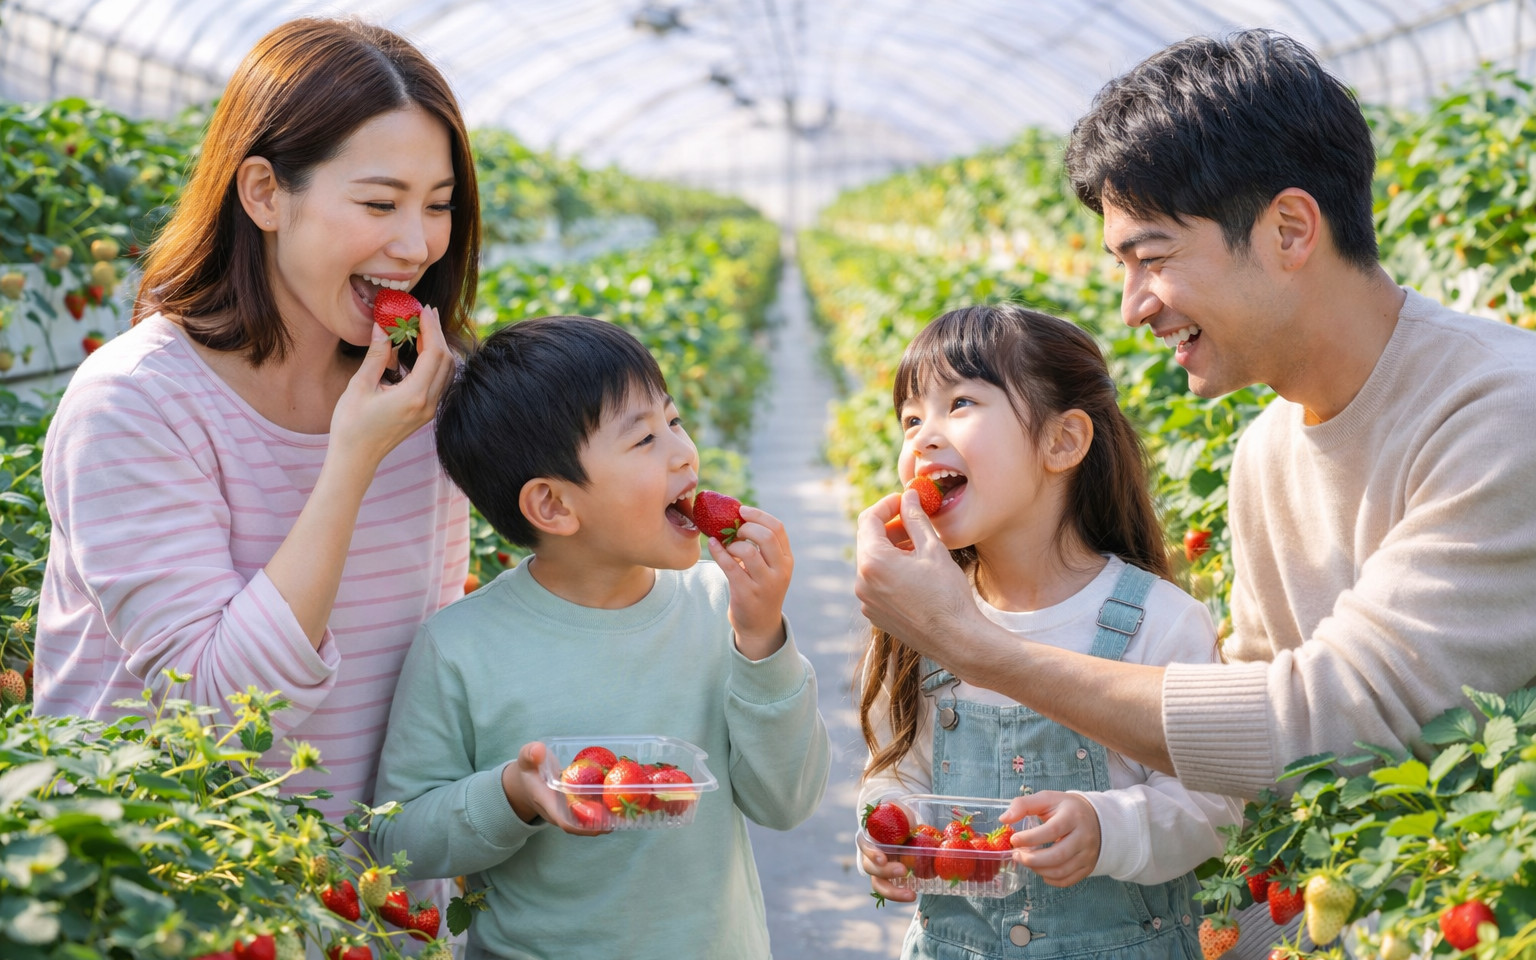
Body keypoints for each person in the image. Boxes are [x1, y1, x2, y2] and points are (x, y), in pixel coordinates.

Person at [854, 26, 1536, 852]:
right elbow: (1244, 748)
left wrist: (972, 646)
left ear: (1289, 230)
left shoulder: (1502, 409)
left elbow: (1336, 722)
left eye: (1152, 258)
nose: (1133, 305)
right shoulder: (1266, 453)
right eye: (1122, 267)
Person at [35, 16, 476, 826]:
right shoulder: (137, 402)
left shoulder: (421, 389)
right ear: (266, 193)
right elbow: (223, 717)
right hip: (201, 897)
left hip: (382, 899)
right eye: (380, 202)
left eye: (439, 205)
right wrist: (351, 460)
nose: (417, 244)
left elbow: (431, 655)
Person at [370, 315, 831, 960]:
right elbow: (398, 841)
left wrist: (763, 641)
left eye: (673, 421)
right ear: (554, 506)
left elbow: (787, 801)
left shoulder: (721, 608)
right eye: (643, 439)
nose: (683, 451)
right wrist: (512, 795)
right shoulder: (461, 648)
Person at [855, 304, 1242, 960]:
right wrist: (894, 826)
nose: (922, 437)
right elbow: (902, 772)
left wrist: (1106, 828)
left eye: (962, 404)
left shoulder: (1158, 620)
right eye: (912, 418)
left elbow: (1215, 805)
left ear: (1062, 442)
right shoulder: (919, 616)